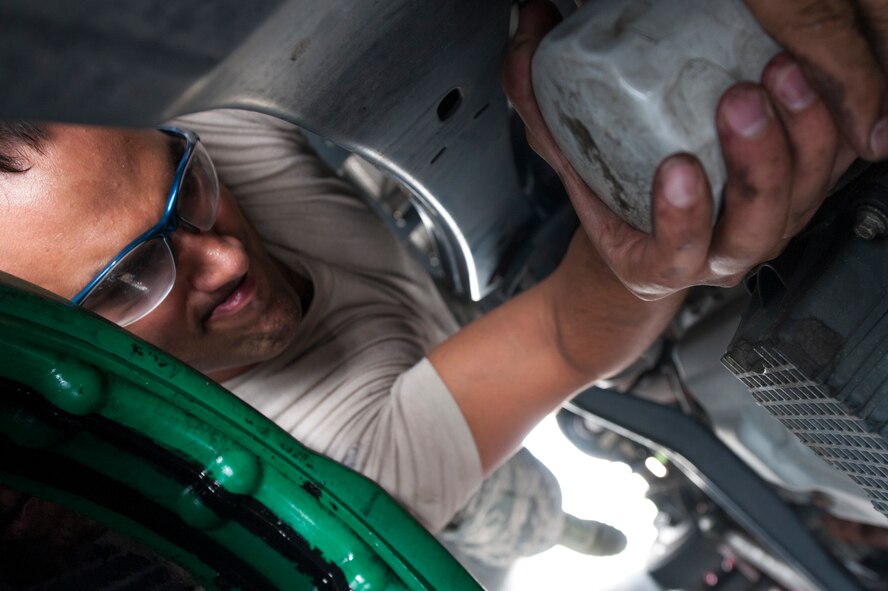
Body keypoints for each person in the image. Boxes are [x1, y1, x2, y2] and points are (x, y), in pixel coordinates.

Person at [0, 0, 880, 575]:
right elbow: (568, 337)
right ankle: (569, 532)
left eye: (183, 188)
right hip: (447, 492)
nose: (221, 257)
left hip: (439, 327)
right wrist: (653, 258)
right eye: (128, 279)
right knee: (524, 512)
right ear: (79, 355)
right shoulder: (326, 473)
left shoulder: (215, 130)